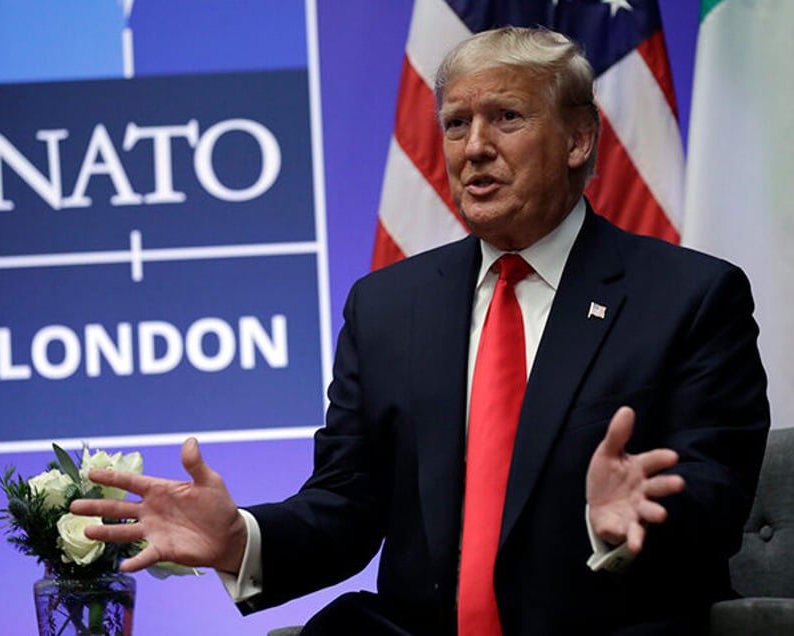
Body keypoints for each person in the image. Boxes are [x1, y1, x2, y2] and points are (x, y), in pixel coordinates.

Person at [72, 26, 770, 635]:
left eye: (507, 117)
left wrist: (620, 523)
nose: (475, 148)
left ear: (579, 139)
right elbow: (346, 505)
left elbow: (715, 494)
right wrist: (241, 539)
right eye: (457, 123)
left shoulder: (688, 297)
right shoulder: (386, 307)